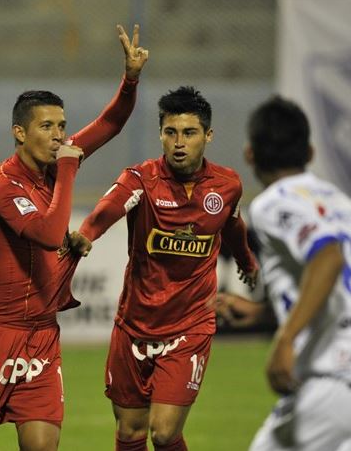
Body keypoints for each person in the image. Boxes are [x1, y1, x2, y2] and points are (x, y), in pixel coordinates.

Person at [0, 24, 149, 451]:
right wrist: (69, 167)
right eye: (47, 126)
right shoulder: (1, 186)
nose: (58, 135)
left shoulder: (56, 163)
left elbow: (110, 123)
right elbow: (50, 234)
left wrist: (130, 80)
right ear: (20, 132)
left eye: (62, 126)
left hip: (42, 334)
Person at [214, 97, 351, 451]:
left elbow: (328, 257)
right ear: (310, 153)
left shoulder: (270, 205)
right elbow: (334, 290)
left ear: (250, 155)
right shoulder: (346, 206)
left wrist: (284, 339)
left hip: (333, 386)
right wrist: (264, 314)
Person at [63, 86, 259, 451]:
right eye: (171, 133)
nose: (179, 142)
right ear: (161, 135)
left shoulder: (227, 185)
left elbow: (232, 226)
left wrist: (247, 261)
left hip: (190, 327)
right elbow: (107, 210)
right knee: (130, 432)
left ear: (208, 135)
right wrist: (87, 234)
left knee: (164, 432)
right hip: (134, 325)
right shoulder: (141, 179)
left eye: (189, 133)